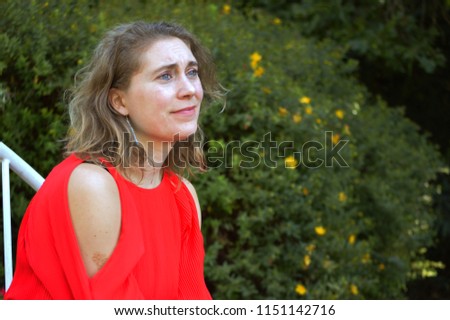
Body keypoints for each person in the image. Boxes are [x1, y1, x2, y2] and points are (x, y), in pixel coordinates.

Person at [5, 21, 223, 299]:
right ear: (119, 102)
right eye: (166, 76)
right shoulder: (93, 185)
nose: (190, 89)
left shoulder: (184, 196)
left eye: (192, 72)